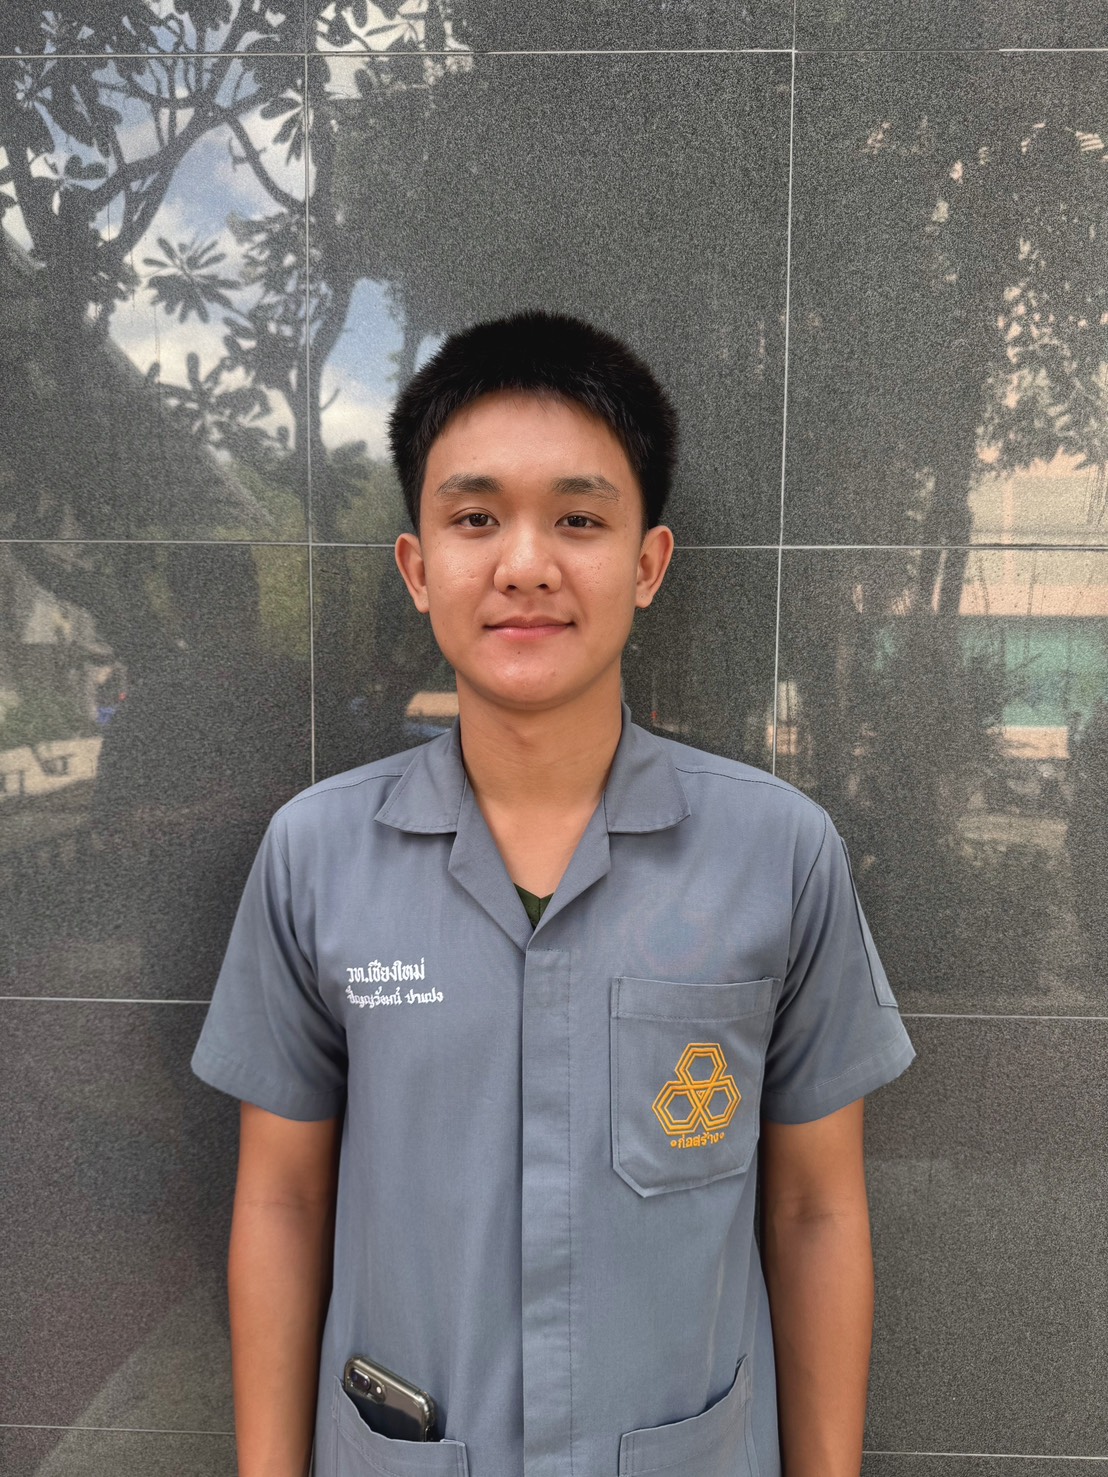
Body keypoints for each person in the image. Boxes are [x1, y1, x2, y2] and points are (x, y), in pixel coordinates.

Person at [191, 309, 915, 1477]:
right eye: (475, 517)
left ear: (646, 564)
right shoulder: (314, 857)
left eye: (578, 519)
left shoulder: (778, 854)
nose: (524, 564)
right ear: (417, 568)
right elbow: (281, 1200)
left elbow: (815, 1211)